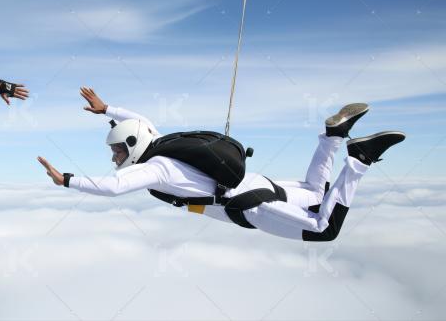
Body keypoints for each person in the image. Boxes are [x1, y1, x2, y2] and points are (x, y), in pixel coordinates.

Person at [37, 87, 405, 241]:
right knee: (314, 191)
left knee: (325, 229)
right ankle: (333, 136)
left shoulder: (156, 168)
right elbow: (142, 119)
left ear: (133, 145)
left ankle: (359, 159)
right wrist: (110, 111)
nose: (115, 158)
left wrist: (66, 180)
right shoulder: (164, 144)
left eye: (117, 151)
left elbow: (113, 188)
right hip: (256, 181)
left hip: (252, 206)